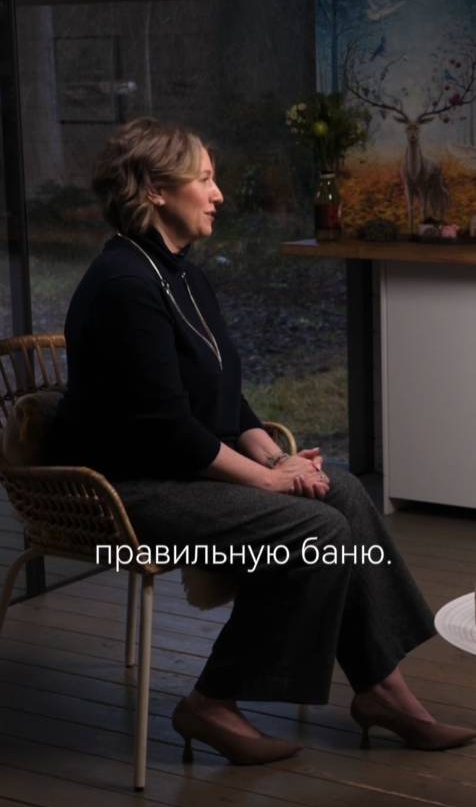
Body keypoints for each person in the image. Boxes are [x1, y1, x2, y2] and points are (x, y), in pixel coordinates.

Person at [49, 117, 475, 765]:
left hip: (178, 469)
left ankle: (383, 690)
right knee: (316, 531)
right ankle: (212, 701)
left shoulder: (183, 276)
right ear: (156, 190)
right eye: (204, 179)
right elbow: (168, 432)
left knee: (341, 493)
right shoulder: (123, 286)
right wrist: (273, 482)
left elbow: (226, 398)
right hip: (124, 488)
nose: (218, 194)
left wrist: (277, 457)